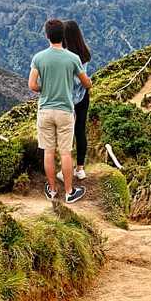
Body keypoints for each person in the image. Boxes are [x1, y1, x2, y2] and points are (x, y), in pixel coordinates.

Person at [29, 19, 92, 202]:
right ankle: (69, 192)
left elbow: (32, 85)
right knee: (65, 152)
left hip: (45, 110)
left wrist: (45, 88)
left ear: (47, 35)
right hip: (65, 110)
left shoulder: (38, 58)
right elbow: (86, 82)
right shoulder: (72, 58)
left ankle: (52, 191)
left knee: (48, 152)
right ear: (62, 36)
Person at [61, 20, 94, 182]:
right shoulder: (84, 53)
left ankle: (64, 168)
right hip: (82, 97)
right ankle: (80, 168)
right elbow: (84, 80)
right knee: (80, 130)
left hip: (66, 98)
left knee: (65, 133)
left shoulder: (65, 57)